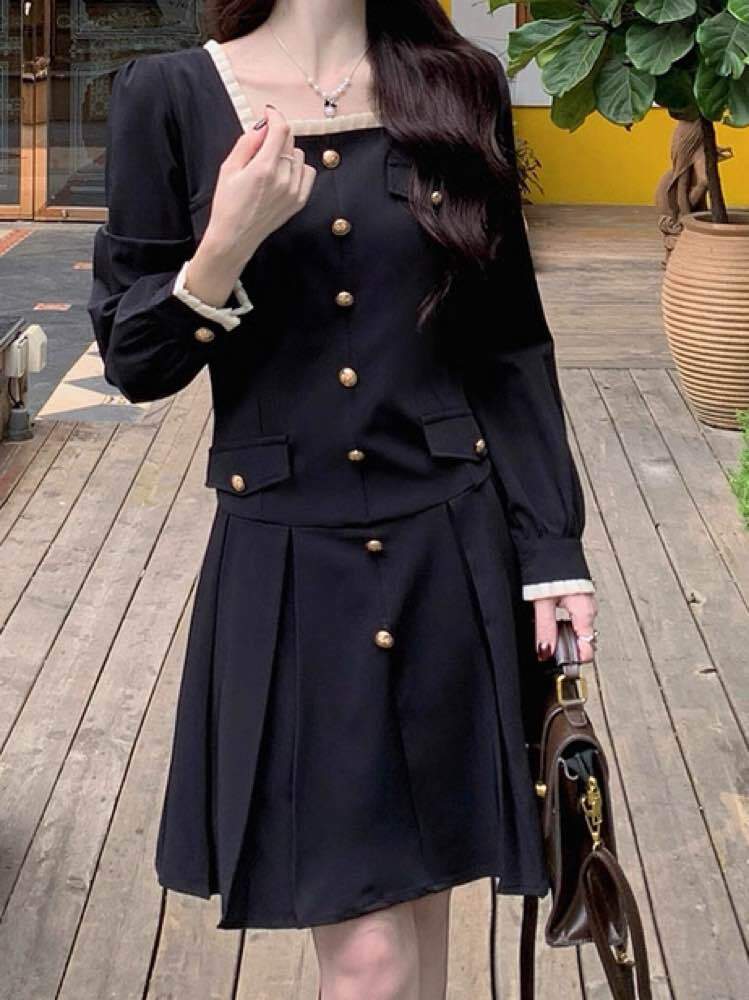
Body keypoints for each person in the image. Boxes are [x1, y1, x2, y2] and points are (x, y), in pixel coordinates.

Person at [86, 1, 599, 996]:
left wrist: (551, 549)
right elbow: (134, 362)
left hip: (449, 550)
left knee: (422, 917)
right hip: (289, 573)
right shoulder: (170, 95)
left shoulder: (458, 84)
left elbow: (506, 343)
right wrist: (222, 246)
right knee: (367, 959)